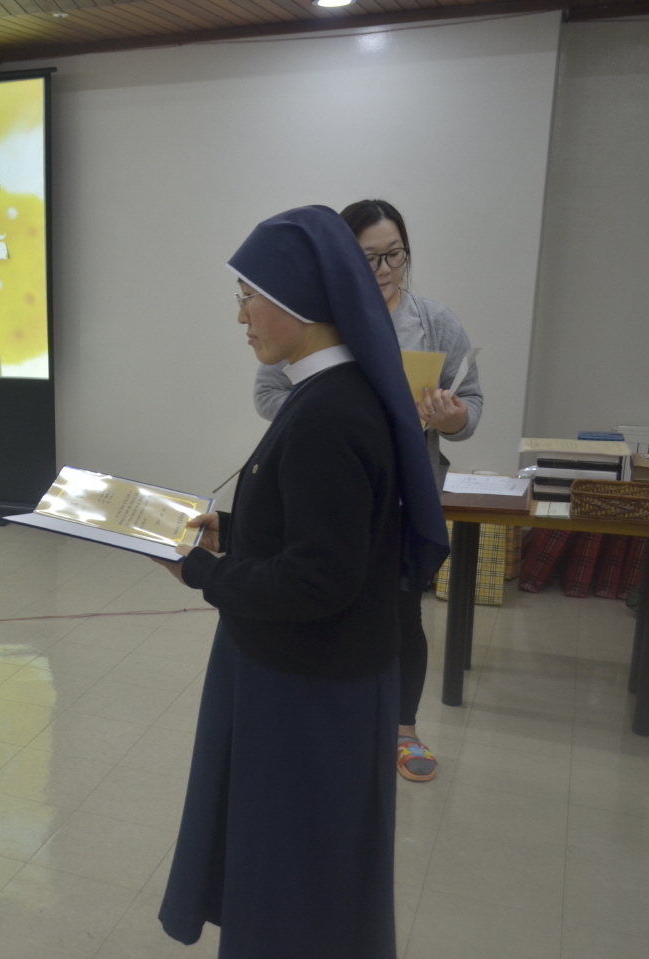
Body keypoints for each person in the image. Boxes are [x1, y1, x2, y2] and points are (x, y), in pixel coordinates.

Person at [157, 206, 449, 958]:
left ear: (298, 299)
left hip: (305, 688)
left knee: (291, 877)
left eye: (247, 297)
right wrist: (231, 531)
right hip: (317, 674)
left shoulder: (327, 414)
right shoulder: (336, 394)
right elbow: (331, 534)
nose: (241, 317)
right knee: (306, 872)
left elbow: (317, 579)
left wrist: (201, 569)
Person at [253, 199, 482, 783]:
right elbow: (268, 394)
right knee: (328, 600)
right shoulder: (318, 319)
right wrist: (341, 417)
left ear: (407, 254)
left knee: (402, 611)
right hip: (333, 485)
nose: (383, 270)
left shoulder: (436, 322)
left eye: (393, 256)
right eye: (367, 258)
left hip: (406, 493)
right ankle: (334, 722)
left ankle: (403, 731)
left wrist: (452, 416)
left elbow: (471, 406)